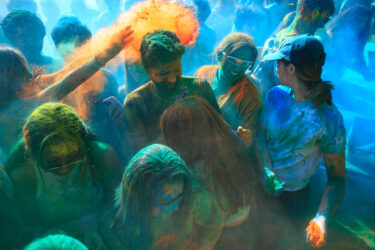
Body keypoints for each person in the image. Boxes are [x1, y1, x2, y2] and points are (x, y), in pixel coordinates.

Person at [257, 34, 346, 249]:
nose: (275, 66)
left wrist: (321, 218)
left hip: (294, 199)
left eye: (280, 62)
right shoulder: (274, 95)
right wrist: (266, 168)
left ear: (291, 69)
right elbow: (261, 136)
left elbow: (337, 180)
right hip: (260, 187)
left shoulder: (328, 118)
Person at [0, 25, 133, 157]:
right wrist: (108, 52)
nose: (28, 77)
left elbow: (68, 71)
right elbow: (70, 79)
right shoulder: (30, 104)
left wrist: (104, 48)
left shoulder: (22, 102)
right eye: (22, 72)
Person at [5, 103, 121, 248]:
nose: (65, 169)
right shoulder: (23, 177)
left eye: (73, 157)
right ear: (33, 156)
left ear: (84, 145)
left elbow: (119, 213)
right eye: (53, 162)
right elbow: (33, 233)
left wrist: (103, 232)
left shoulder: (102, 157)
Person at [161, 96, 261, 248]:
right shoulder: (230, 136)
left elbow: (202, 216)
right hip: (247, 220)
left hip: (224, 234)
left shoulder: (196, 169)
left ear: (182, 136)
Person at [100, 144, 224, 249]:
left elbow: (215, 223)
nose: (176, 207)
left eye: (179, 198)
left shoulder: (192, 197)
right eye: (165, 201)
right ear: (138, 198)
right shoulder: (114, 226)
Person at [123, 30, 220, 152]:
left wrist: (238, 136)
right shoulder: (136, 102)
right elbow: (144, 154)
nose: (172, 79)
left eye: (177, 70)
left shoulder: (199, 87)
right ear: (147, 70)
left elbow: (220, 131)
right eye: (163, 74)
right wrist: (174, 119)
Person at [51, 16, 127, 163]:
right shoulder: (58, 85)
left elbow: (120, 123)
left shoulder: (108, 78)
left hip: (113, 150)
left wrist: (120, 118)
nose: (79, 55)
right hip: (78, 157)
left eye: (83, 47)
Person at [253, 0, 335, 96]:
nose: (322, 25)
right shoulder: (302, 50)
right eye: (325, 18)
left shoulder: (274, 39)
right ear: (315, 12)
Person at [195, 33, 261, 148]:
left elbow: (247, 142)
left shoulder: (250, 96)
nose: (238, 68)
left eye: (244, 63)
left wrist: (243, 138)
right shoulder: (202, 73)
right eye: (233, 60)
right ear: (220, 55)